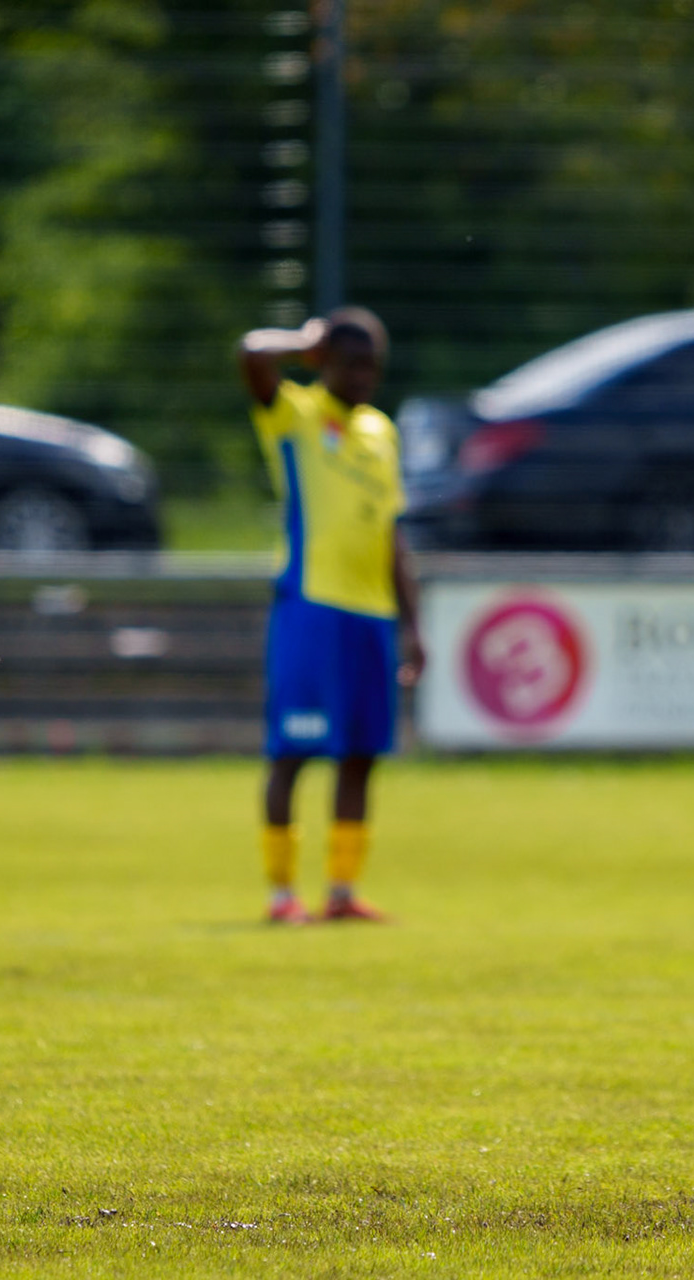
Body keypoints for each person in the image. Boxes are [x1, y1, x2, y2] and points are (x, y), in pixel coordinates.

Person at [237, 307, 422, 924]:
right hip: (311, 609)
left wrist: (412, 625)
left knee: (362, 754)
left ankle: (341, 892)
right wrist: (304, 342)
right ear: (325, 363)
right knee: (292, 751)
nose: (365, 376)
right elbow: (251, 356)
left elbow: (393, 535)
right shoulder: (296, 415)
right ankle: (281, 894)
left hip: (371, 617)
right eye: (351, 363)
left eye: (373, 365)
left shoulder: (380, 432)